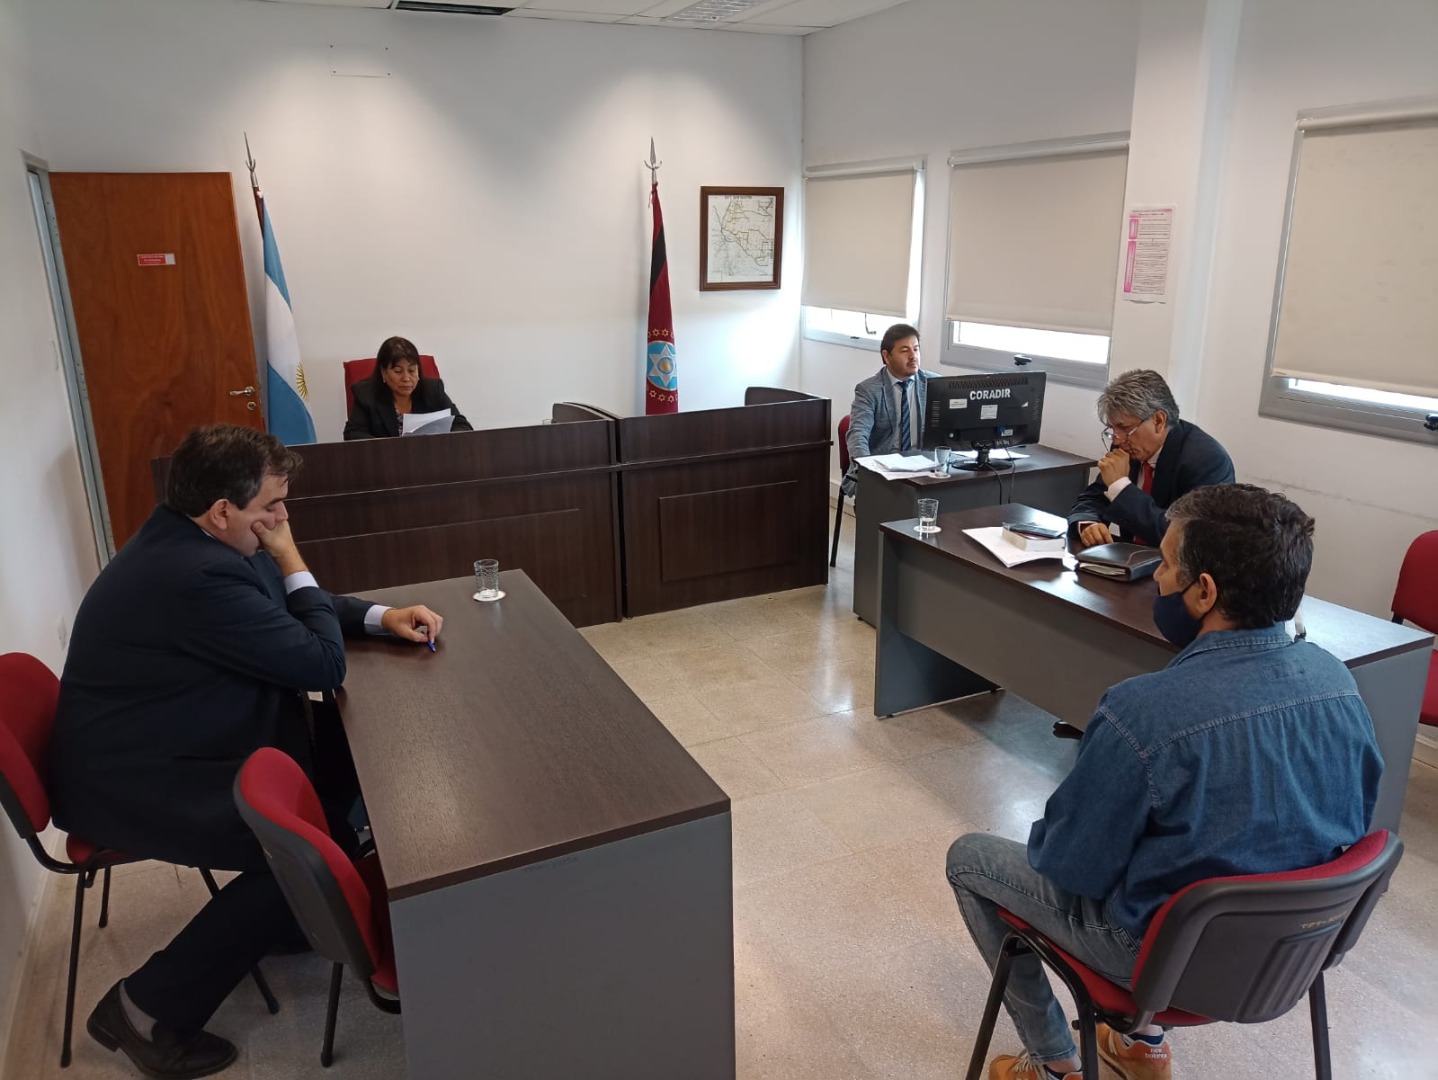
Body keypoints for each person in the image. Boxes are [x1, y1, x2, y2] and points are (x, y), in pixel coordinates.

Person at [946, 483, 1382, 1080]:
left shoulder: (1143, 712)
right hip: (1292, 952)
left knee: (970, 858)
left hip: (1161, 958)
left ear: (1204, 592)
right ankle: (1141, 1044)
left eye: (1167, 564)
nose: (1155, 576)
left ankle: (1055, 1063)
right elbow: (1352, 823)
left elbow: (1071, 866)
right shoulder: (1338, 682)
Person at [51, 424, 444, 1079]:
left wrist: (380, 616)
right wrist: (293, 556)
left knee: (333, 789)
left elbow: (284, 603)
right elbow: (320, 663)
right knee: (303, 853)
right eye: (273, 505)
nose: (282, 519)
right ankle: (143, 1009)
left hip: (168, 737)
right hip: (135, 778)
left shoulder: (197, 535)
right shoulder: (192, 574)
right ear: (222, 510)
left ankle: (296, 918)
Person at [1067, 369, 1233, 549]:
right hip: (1131, 556)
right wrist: (1088, 522)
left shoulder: (1206, 460)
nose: (1116, 440)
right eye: (1112, 429)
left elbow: (1185, 538)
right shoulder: (1127, 446)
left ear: (1159, 421)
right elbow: (1095, 496)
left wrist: (1120, 487)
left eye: (1125, 428)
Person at [841, 323, 932, 495]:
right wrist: (868, 469)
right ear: (886, 356)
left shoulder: (933, 384)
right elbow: (858, 435)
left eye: (916, 349)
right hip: (883, 472)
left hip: (924, 470)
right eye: (904, 350)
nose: (913, 356)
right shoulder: (869, 390)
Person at [343, 335, 472, 439]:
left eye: (411, 370)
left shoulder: (432, 390)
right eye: (398, 371)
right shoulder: (366, 394)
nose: (406, 378)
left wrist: (441, 440)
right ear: (383, 372)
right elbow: (353, 434)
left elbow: (462, 426)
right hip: (385, 460)